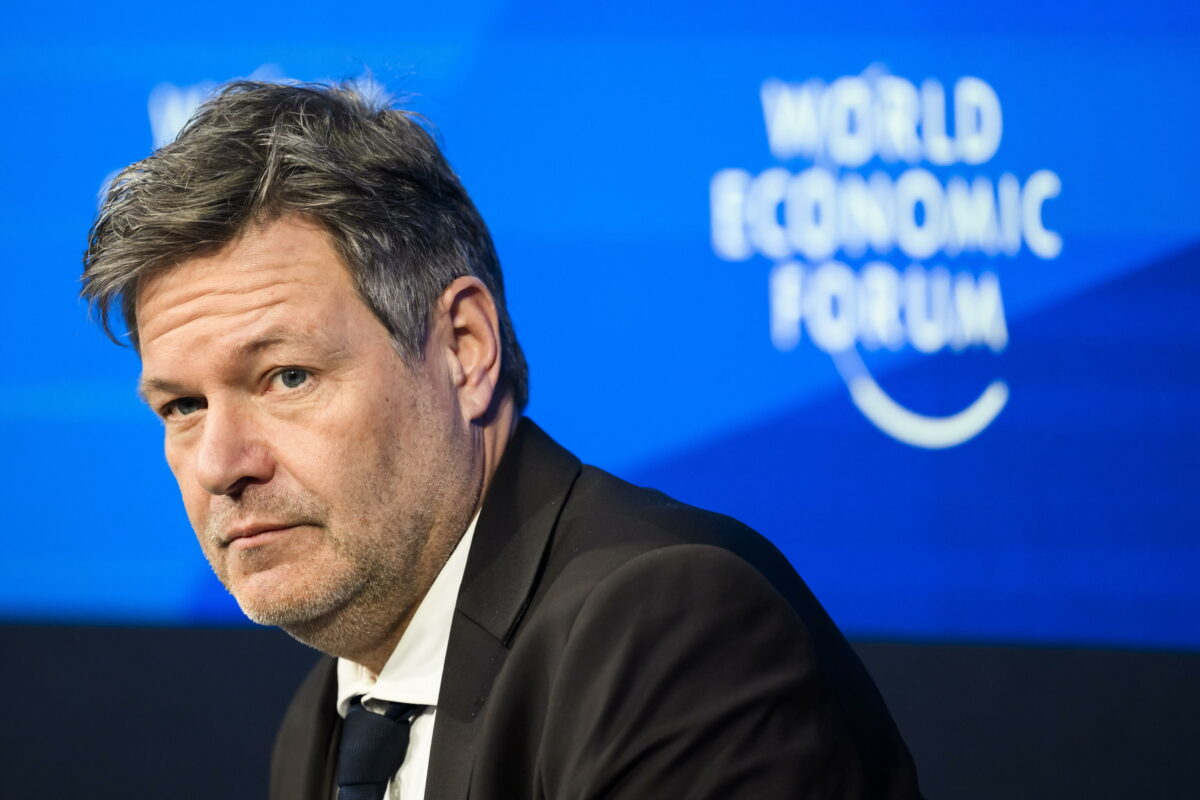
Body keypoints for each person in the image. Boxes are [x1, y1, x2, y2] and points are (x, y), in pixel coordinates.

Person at [81, 80, 922, 800]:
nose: (221, 464)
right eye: (182, 406)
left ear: (464, 348)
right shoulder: (324, 721)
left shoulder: (665, 629)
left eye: (287, 377)